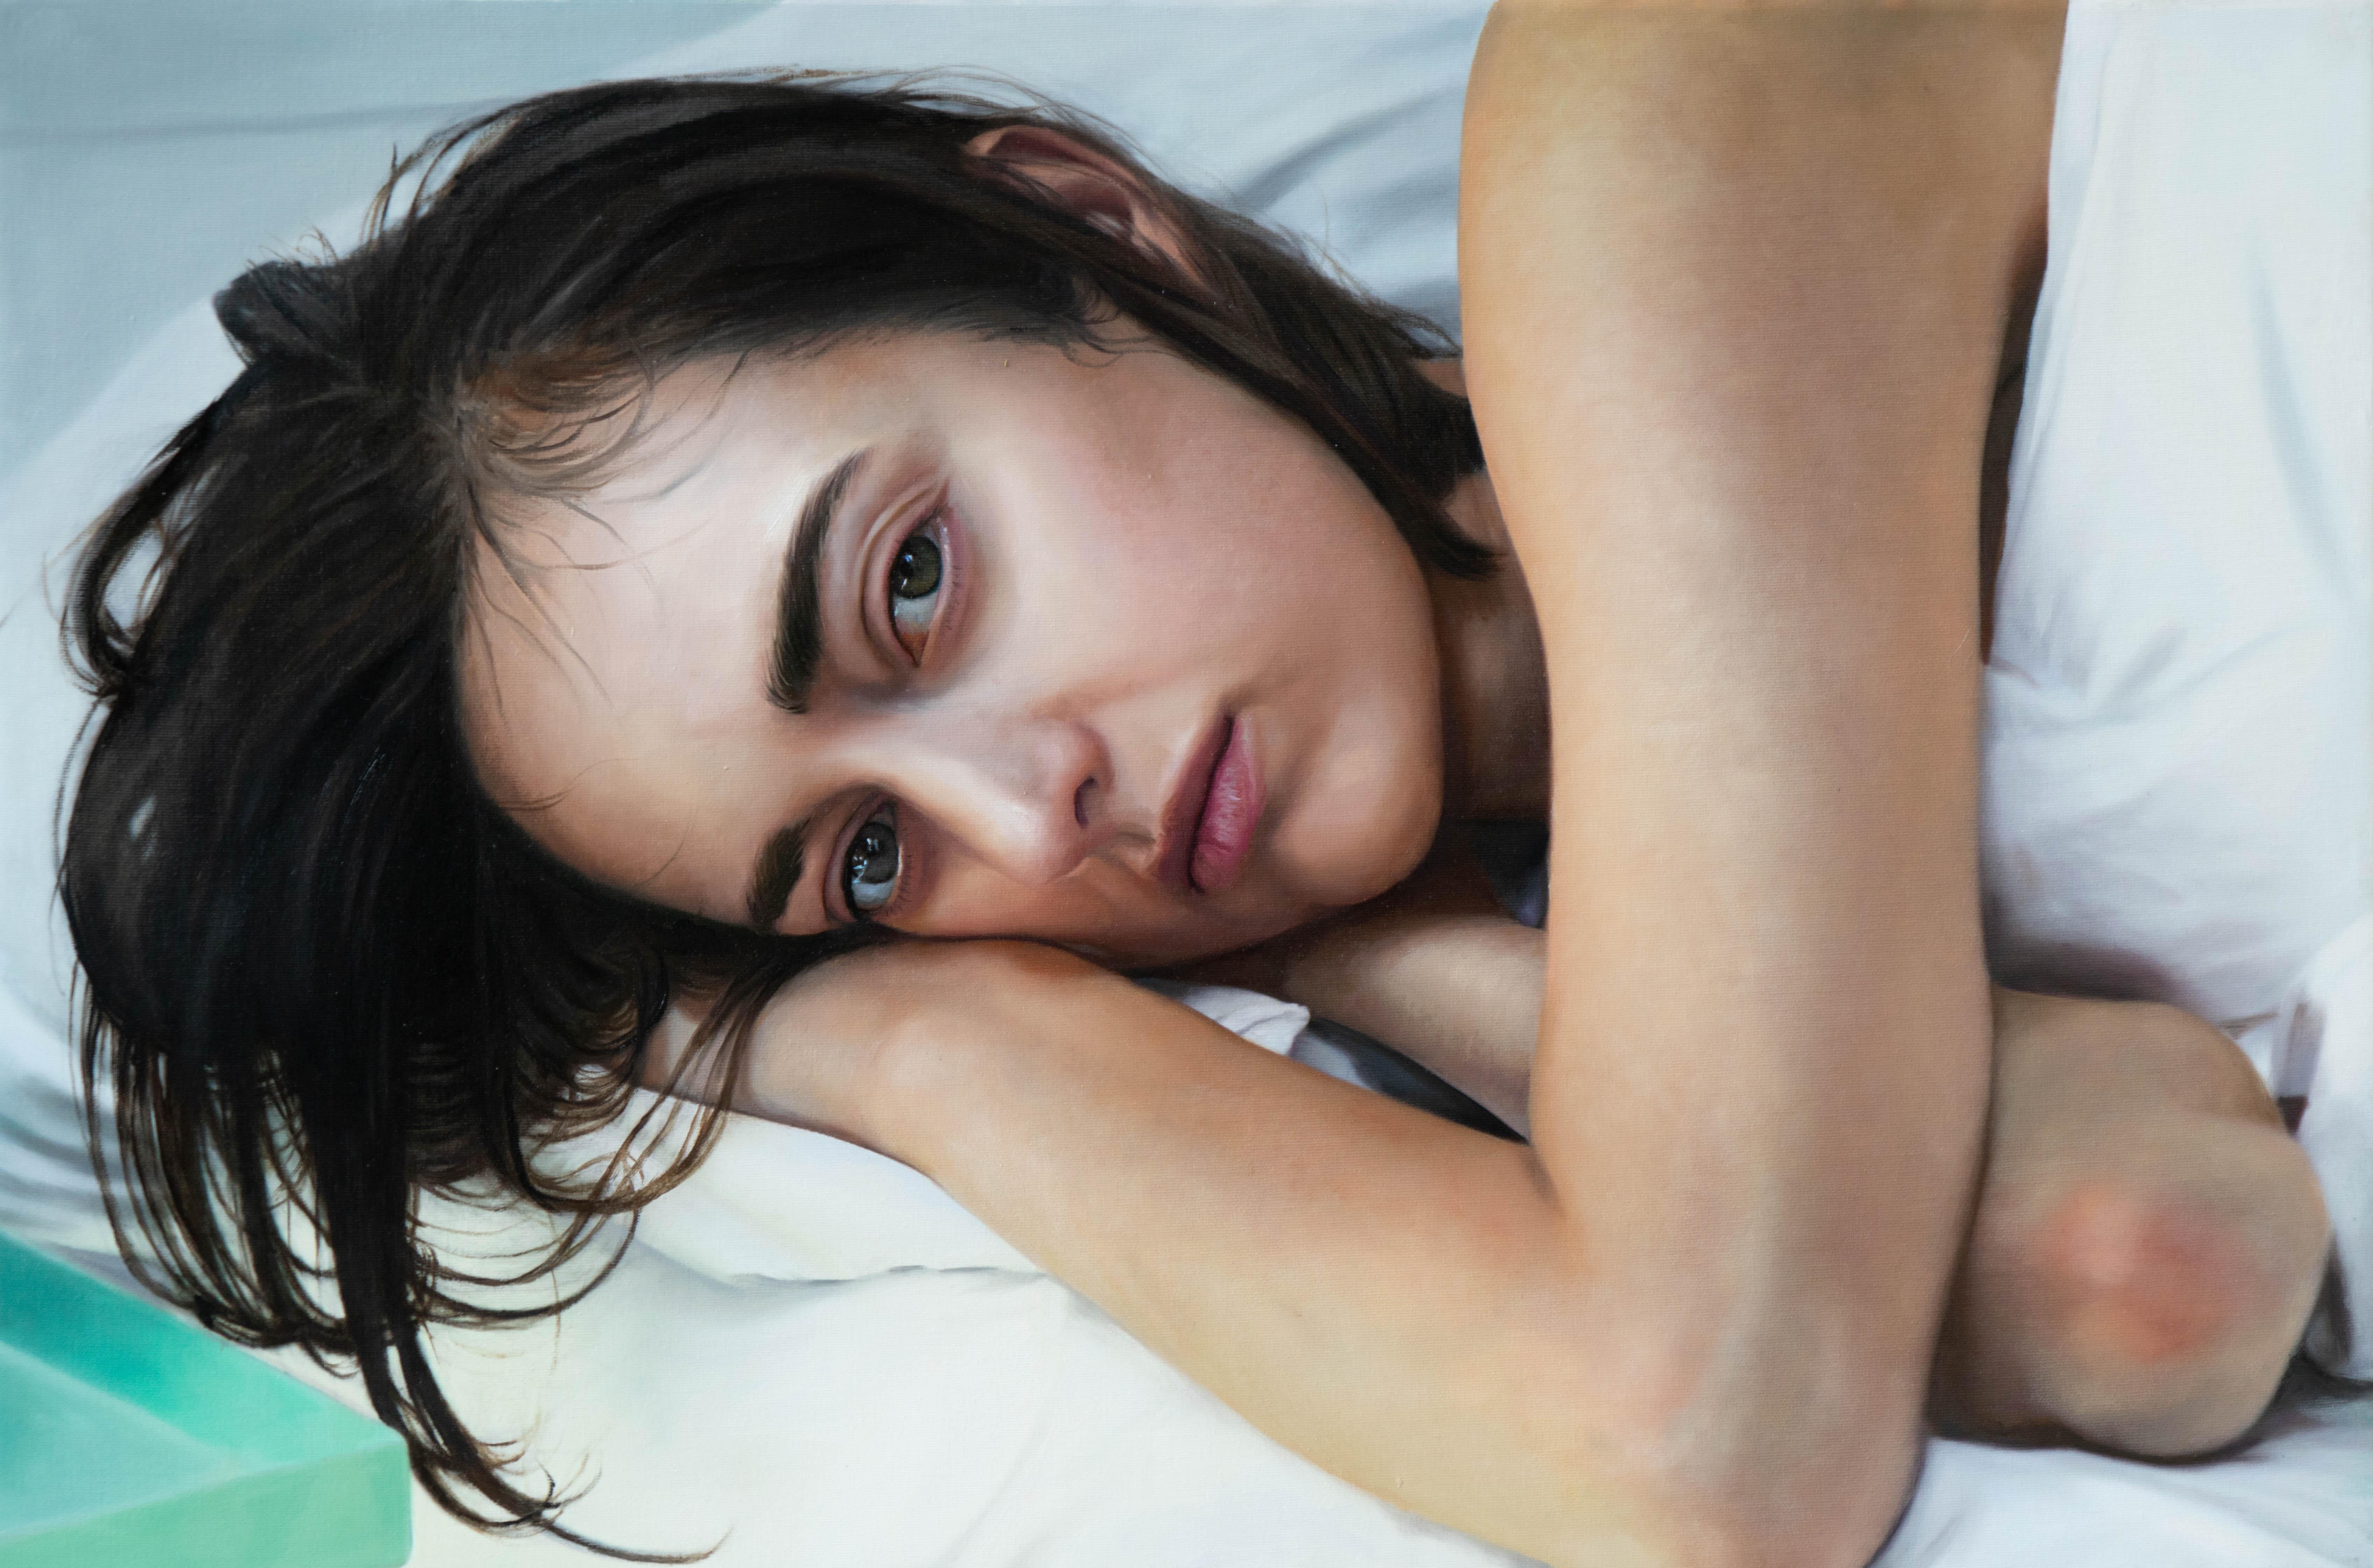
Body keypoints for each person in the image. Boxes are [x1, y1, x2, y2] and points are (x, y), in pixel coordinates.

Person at [58, 7, 2340, 1564]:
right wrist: (1309, 962)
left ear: (1093, 231)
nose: (1027, 812)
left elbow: (1707, 1445)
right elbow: (2149, 1258)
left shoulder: (1659, 134)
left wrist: (943, 1033)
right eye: (869, 859)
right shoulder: (1591, 971)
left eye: (917, 582)